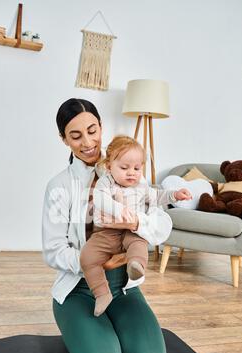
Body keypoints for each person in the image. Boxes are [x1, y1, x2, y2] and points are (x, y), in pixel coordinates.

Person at [42, 98, 171, 353]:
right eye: (75, 136)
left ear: (101, 126)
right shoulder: (59, 186)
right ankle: (90, 332)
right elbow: (53, 251)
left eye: (92, 130)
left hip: (124, 288)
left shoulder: (129, 170)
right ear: (64, 139)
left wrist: (136, 223)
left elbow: (163, 226)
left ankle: (112, 329)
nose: (87, 142)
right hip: (79, 290)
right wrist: (98, 262)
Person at [80, 135, 192, 317]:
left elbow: (156, 196)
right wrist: (117, 209)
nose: (131, 172)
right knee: (87, 257)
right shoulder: (105, 183)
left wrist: (174, 195)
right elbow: (100, 199)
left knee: (139, 244)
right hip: (107, 232)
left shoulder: (141, 185)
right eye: (124, 168)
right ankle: (101, 293)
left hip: (132, 230)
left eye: (137, 168)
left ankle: (136, 266)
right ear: (109, 167)